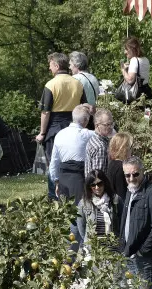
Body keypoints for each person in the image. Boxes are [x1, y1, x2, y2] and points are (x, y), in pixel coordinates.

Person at [35, 52, 86, 200]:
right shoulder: (77, 83)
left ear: (57, 66)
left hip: (55, 127)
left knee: (54, 162)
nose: (49, 68)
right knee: (74, 160)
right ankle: (74, 193)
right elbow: (84, 106)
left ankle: (54, 195)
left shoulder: (51, 85)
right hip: (75, 124)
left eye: (50, 65)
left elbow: (45, 112)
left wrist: (42, 133)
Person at [119, 156, 152, 289]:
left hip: (146, 256)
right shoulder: (130, 191)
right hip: (132, 253)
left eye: (135, 174)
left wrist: (142, 250)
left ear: (142, 172)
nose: (132, 178)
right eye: (127, 175)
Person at [50, 104, 94, 204]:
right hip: (79, 178)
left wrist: (56, 182)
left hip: (63, 179)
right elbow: (108, 132)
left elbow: (54, 162)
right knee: (80, 212)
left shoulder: (60, 134)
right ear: (86, 120)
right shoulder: (86, 134)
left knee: (65, 213)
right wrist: (95, 114)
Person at [76, 169, 122, 243]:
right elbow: (81, 226)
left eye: (99, 183)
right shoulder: (83, 203)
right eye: (93, 185)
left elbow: (122, 221)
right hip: (93, 247)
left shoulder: (116, 200)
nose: (97, 187)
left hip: (112, 246)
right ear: (89, 186)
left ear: (105, 183)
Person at [85, 108, 114, 177]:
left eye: (111, 124)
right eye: (107, 125)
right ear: (97, 125)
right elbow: (98, 177)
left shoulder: (94, 139)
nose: (110, 127)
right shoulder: (100, 147)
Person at [107, 132, 133, 201]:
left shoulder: (112, 163)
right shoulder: (121, 168)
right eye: (130, 147)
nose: (131, 150)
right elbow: (121, 194)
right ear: (124, 148)